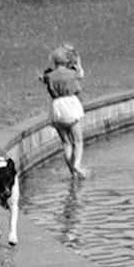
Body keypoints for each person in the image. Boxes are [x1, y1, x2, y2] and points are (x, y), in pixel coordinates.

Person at [41, 44, 90, 178]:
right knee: (78, 141)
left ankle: (73, 173)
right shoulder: (71, 73)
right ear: (67, 61)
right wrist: (77, 58)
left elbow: (43, 78)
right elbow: (81, 74)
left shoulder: (50, 75)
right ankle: (77, 164)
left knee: (66, 142)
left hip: (56, 107)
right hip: (70, 105)